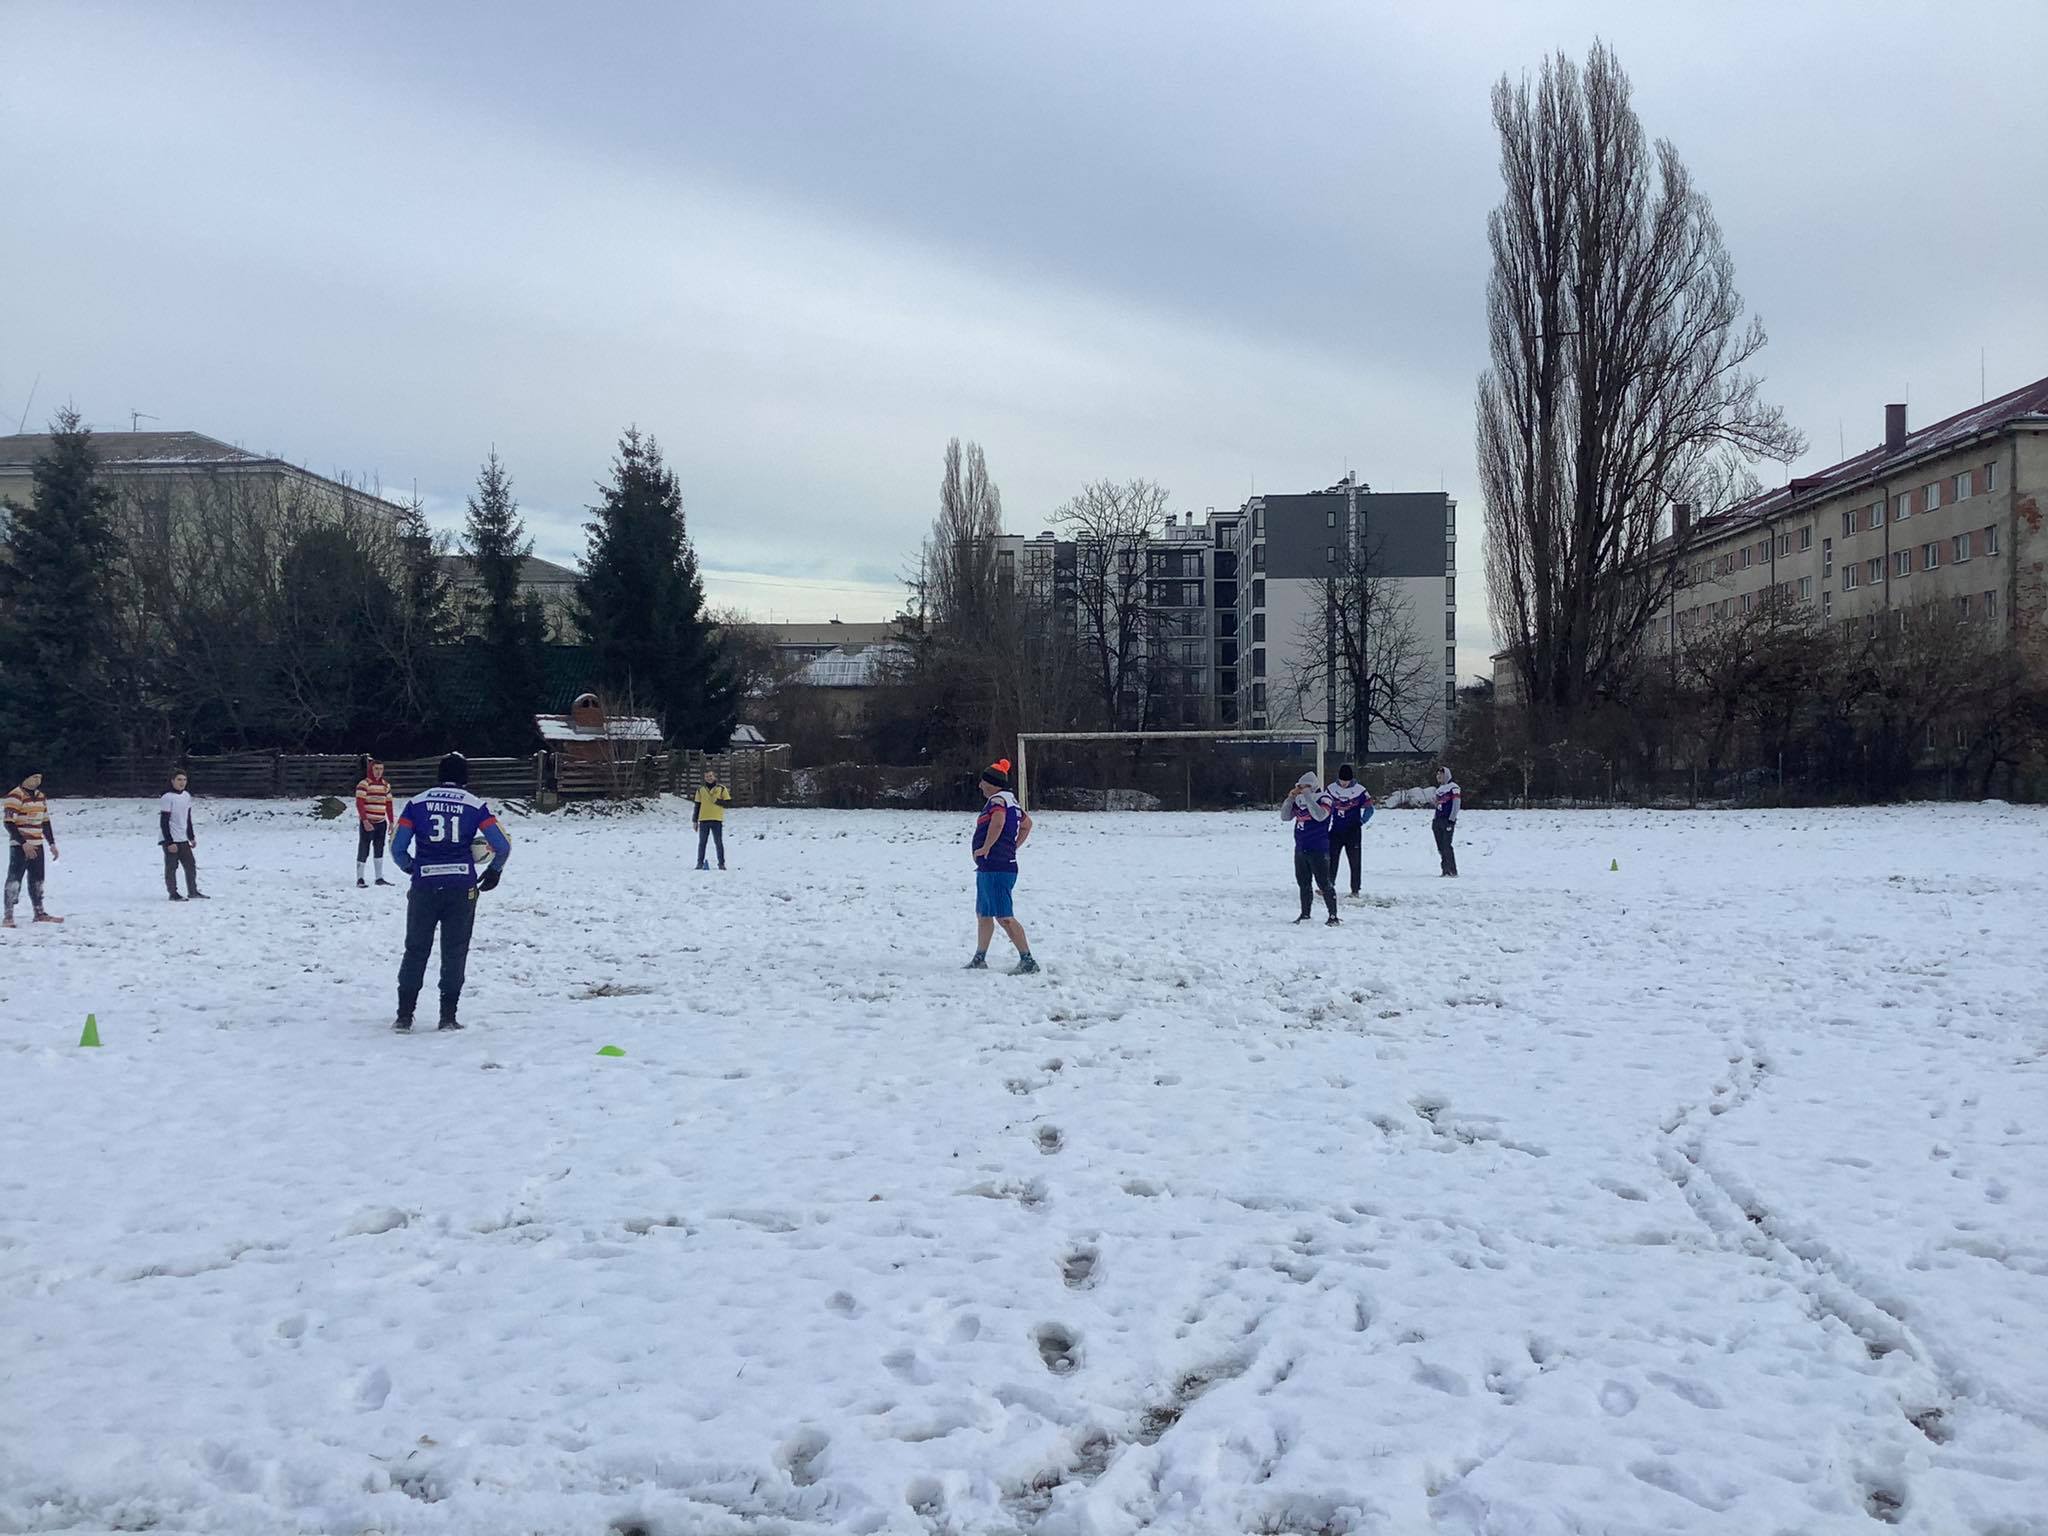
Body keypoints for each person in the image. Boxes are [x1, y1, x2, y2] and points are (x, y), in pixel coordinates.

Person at [389, 752, 512, 1032]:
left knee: (415, 950)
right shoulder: (475, 805)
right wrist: (494, 871)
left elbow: (397, 848)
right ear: (465, 777)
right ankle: (448, 1017)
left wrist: (413, 868)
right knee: (455, 951)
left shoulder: (416, 803)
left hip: (424, 886)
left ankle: (404, 1016)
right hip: (461, 888)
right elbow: (502, 844)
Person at [966, 758, 1037, 974]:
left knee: (1004, 916)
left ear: (992, 783)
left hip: (997, 867)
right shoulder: (1012, 802)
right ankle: (980, 957)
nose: (979, 786)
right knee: (984, 913)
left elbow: (997, 822)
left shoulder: (998, 801)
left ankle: (1028, 960)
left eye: (982, 782)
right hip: (993, 866)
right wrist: (1013, 846)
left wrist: (987, 847)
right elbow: (1027, 825)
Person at [3, 771, 62, 927]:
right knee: (15, 879)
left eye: (40, 778)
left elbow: (45, 822)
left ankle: (39, 912)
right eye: (34, 777)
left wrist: (52, 844)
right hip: (20, 845)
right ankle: (8, 916)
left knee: (38, 879)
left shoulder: (40, 796)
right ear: (25, 778)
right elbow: (9, 823)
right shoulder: (15, 796)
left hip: (37, 843)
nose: (37, 780)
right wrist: (23, 843)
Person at [1282, 771, 1341, 926]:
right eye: (1300, 787)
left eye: (1305, 786)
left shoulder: (1325, 798)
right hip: (1301, 846)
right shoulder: (1300, 800)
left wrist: (1308, 796)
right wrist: (1290, 798)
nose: (1302, 789)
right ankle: (1305, 914)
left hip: (1318, 847)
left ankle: (1333, 915)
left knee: (1323, 883)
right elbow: (1285, 816)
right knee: (1303, 882)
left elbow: (1320, 815)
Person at [1326, 763, 1376, 897]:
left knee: (1354, 861)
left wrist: (1361, 821)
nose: (1344, 784)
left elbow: (1370, 809)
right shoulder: (1331, 789)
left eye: (1346, 781)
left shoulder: (1360, 790)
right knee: (1331, 859)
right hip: (1336, 830)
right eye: (1342, 781)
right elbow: (1326, 807)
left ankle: (1355, 890)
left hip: (1353, 831)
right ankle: (1328, 886)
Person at [158, 769, 207, 901]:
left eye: (184, 780)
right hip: (170, 839)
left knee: (190, 865)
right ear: (172, 781)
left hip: (182, 838)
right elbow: (164, 822)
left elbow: (187, 818)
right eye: (179, 779)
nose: (182, 782)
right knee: (171, 867)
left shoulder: (186, 796)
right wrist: (169, 842)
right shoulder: (167, 797)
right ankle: (173, 893)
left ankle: (193, 891)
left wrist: (191, 836)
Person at [354, 757, 396, 888]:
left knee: (379, 848)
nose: (379, 772)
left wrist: (391, 821)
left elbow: (388, 803)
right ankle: (360, 878)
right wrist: (365, 820)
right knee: (364, 848)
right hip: (368, 822)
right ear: (371, 769)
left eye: (381, 769)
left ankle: (379, 877)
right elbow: (359, 803)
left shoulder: (386, 785)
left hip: (381, 822)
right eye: (376, 769)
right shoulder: (364, 784)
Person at [693, 767, 731, 870]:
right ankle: (699, 863)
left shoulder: (721, 788)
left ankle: (721, 863)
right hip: (703, 819)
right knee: (702, 843)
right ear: (704, 778)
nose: (709, 778)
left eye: (710, 776)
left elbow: (728, 803)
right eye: (707, 776)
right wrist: (694, 821)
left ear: (714, 776)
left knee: (718, 842)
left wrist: (718, 801)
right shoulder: (700, 790)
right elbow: (697, 806)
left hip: (716, 819)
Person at [1433, 765, 1461, 878]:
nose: (1439, 776)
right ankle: (1444, 869)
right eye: (1438, 774)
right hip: (1438, 820)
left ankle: (1452, 870)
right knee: (1440, 846)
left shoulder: (1454, 788)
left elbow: (1456, 804)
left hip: (1447, 820)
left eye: (1441, 774)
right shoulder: (1439, 790)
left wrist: (1451, 819)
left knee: (1446, 845)